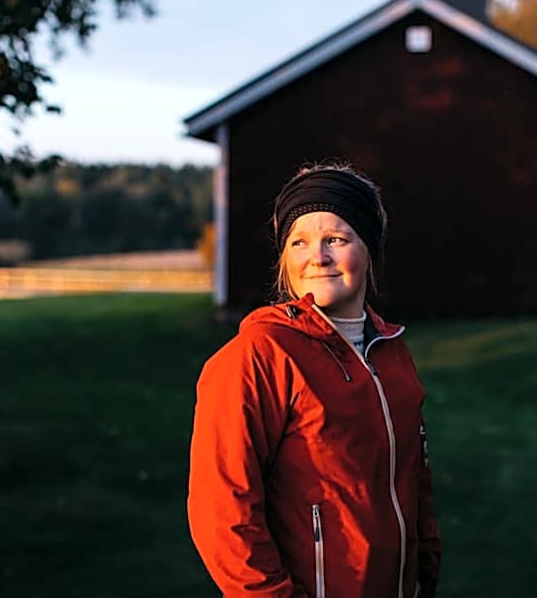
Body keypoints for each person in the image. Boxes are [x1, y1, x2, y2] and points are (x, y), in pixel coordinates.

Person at [187, 164, 441, 598]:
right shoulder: (260, 356)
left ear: (368, 248)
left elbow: (415, 477)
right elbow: (223, 512)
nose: (316, 256)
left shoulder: (392, 350)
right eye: (298, 241)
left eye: (336, 240)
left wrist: (424, 571)